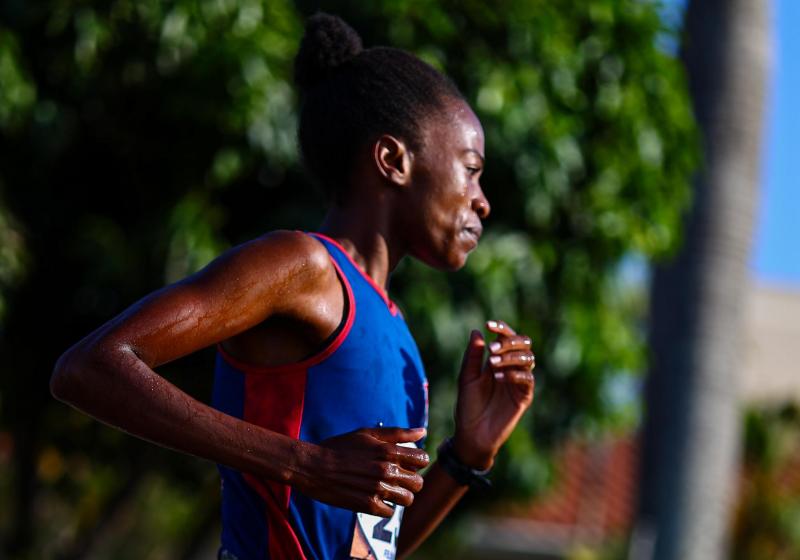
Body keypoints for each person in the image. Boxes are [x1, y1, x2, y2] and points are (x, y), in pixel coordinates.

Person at [51, 12, 536, 560]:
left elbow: (366, 547)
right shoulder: (304, 267)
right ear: (393, 161)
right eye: (471, 169)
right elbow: (89, 367)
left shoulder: (400, 336)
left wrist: (466, 459)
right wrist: (306, 463)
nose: (482, 200)